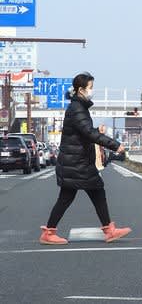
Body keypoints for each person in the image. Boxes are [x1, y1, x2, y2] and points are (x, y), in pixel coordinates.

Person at [39, 72, 130, 245]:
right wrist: (115, 144)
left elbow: (85, 131)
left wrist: (98, 133)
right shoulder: (77, 108)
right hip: (77, 162)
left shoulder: (78, 107)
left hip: (77, 161)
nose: (92, 91)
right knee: (86, 193)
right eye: (90, 88)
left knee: (83, 193)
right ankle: (107, 230)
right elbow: (88, 132)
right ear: (81, 90)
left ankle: (51, 232)